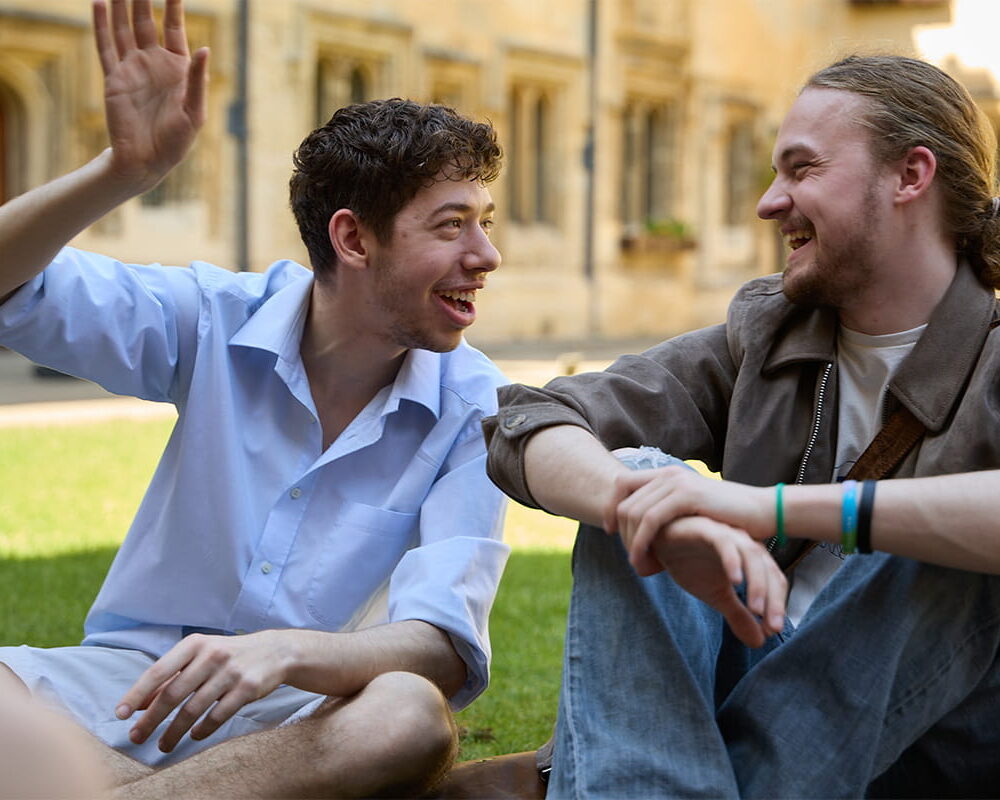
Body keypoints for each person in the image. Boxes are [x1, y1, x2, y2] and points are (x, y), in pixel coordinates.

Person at [0, 0, 509, 797]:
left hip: (311, 715)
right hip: (131, 689)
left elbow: (441, 642)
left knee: (409, 715)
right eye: (452, 227)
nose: (487, 255)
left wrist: (284, 651)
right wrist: (122, 173)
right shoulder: (210, 319)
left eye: (484, 223)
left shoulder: (476, 406)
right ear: (352, 239)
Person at [484, 54, 1000, 797]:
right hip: (734, 699)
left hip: (915, 745)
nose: (767, 202)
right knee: (640, 478)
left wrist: (766, 507)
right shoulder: (770, 334)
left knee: (940, 535)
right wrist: (638, 503)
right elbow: (532, 418)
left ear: (910, 175)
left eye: (800, 169)